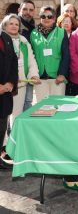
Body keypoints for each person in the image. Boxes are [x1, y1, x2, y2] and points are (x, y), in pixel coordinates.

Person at [0, 14, 41, 165]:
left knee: (15, 118)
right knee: (4, 118)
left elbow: (31, 61)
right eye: (10, 24)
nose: (14, 26)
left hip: (20, 86)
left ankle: (13, 147)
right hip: (5, 88)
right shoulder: (2, 41)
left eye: (16, 24)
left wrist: (34, 75)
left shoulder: (24, 42)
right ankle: (4, 148)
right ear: (4, 26)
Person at [30, 6, 69, 102]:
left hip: (57, 78)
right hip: (40, 79)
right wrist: (33, 74)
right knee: (42, 108)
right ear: (40, 18)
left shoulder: (61, 32)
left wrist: (62, 74)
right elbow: (31, 56)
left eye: (49, 16)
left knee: (57, 106)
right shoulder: (33, 34)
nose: (46, 19)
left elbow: (66, 55)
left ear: (54, 18)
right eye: (43, 16)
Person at [0, 29, 18, 169]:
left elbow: (13, 63)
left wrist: (11, 83)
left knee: (1, 126)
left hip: (5, 92)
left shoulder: (6, 37)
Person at [18, 0, 36, 111]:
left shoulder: (34, 29)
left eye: (31, 10)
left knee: (28, 101)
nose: (27, 12)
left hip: (29, 72)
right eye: (25, 9)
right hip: (15, 74)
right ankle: (13, 128)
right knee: (15, 105)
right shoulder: (12, 26)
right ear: (19, 10)